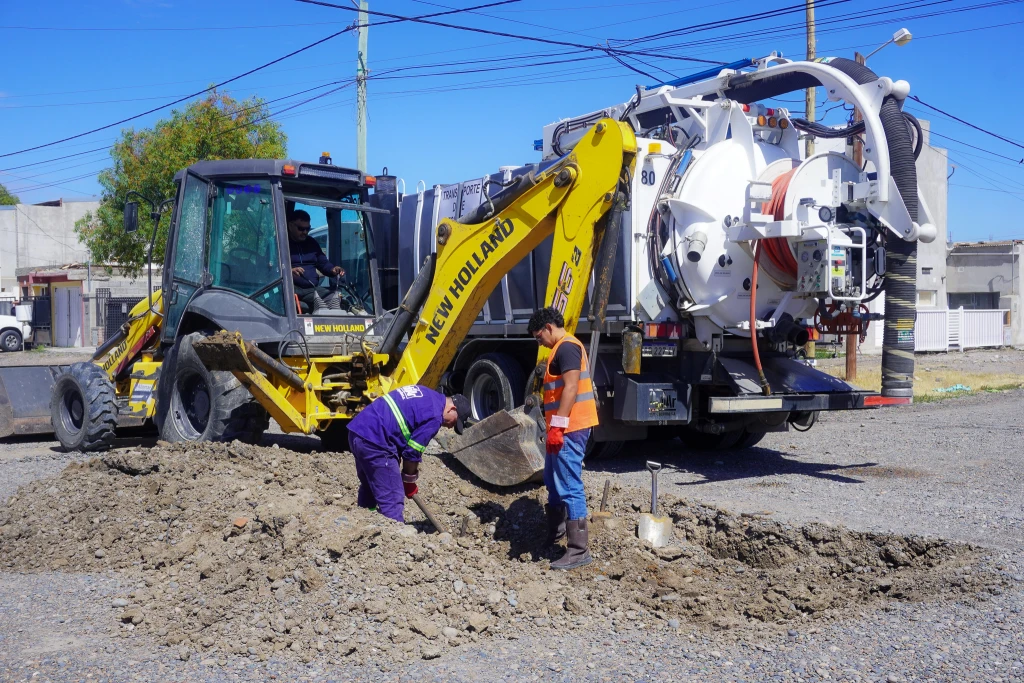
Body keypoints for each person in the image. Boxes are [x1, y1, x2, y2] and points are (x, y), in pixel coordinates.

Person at [528, 306, 599, 570]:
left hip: (570, 427)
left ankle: (579, 550)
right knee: (552, 478)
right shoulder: (560, 348)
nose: (540, 343)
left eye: (539, 337)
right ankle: (556, 532)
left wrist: (557, 426)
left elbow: (570, 387)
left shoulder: (567, 347)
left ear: (548, 327)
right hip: (563, 426)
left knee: (569, 483)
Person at [347, 385, 471, 523]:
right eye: (455, 422)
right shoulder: (435, 416)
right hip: (377, 442)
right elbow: (412, 452)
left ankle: (363, 523)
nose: (450, 427)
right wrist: (408, 481)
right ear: (452, 409)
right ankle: (393, 539)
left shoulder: (426, 393)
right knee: (392, 499)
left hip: (358, 432)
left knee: (370, 486)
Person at [287, 209, 344, 312]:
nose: (305, 232)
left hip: (311, 289)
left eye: (307, 229)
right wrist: (289, 271)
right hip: (290, 290)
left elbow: (323, 263)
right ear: (290, 226)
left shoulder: (312, 243)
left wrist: (333, 269)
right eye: (301, 228)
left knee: (335, 297)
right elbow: (272, 270)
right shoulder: (279, 242)